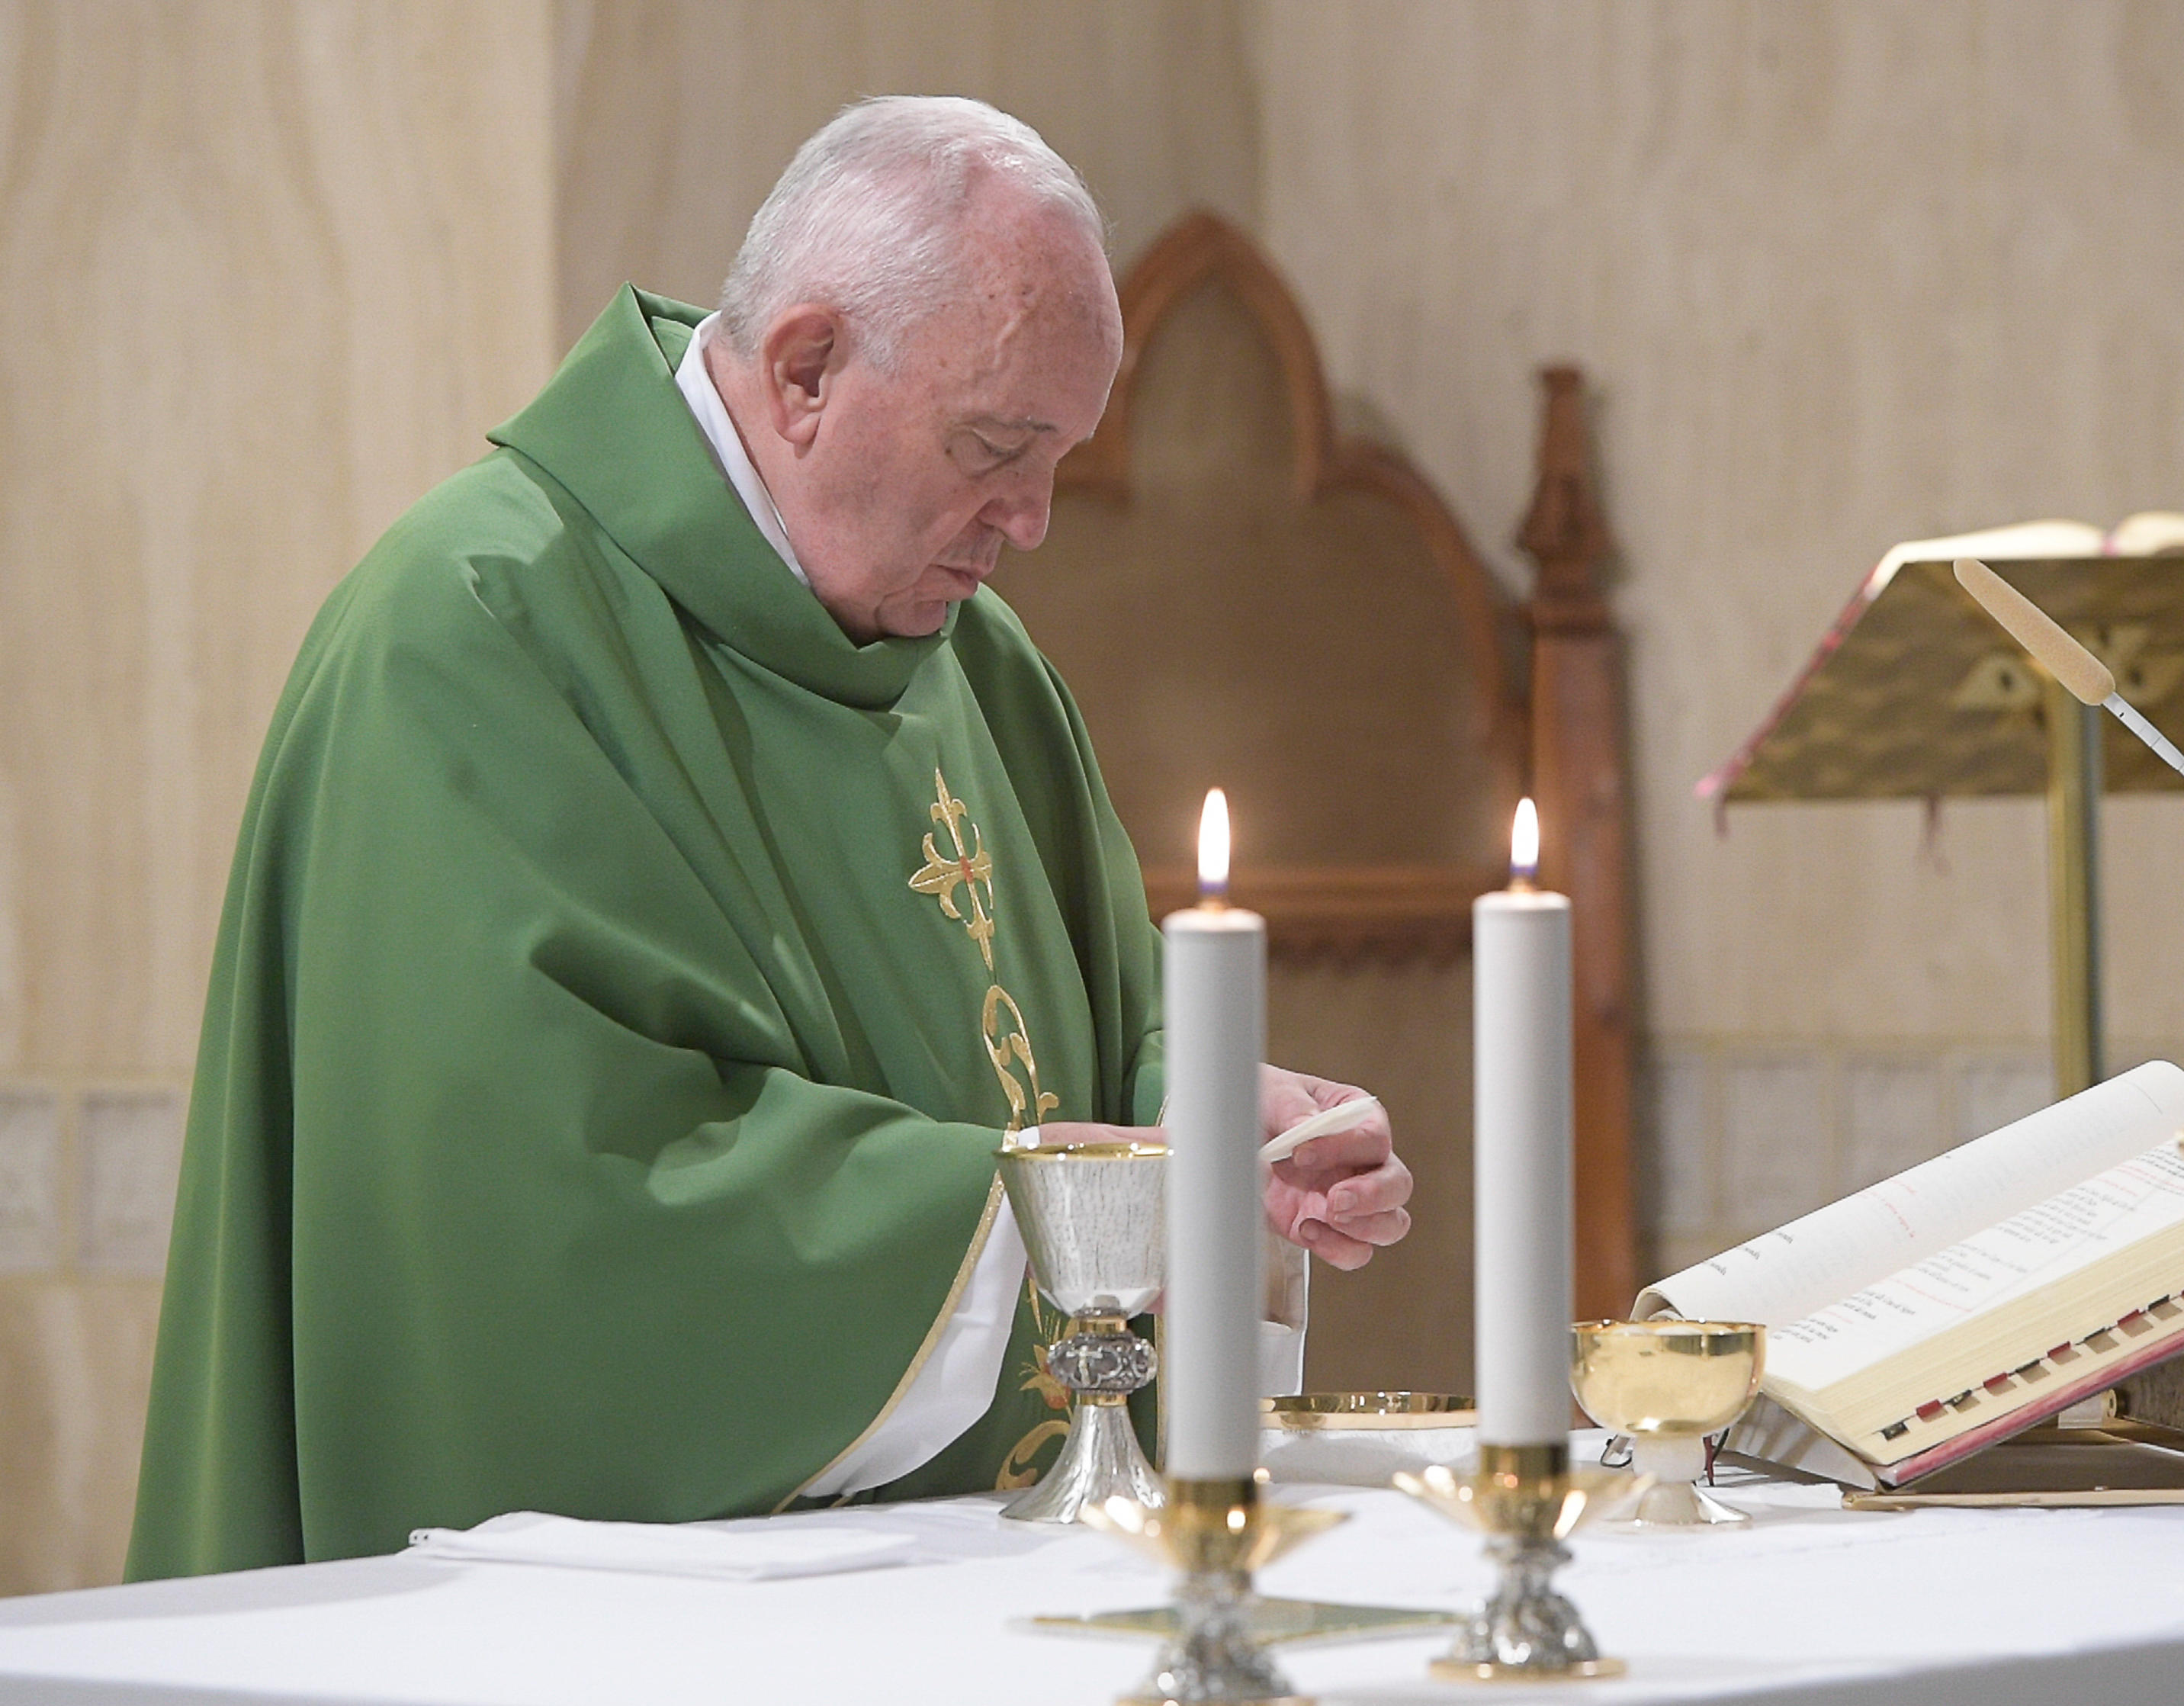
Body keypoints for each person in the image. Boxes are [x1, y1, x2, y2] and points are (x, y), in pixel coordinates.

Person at [126, 96, 1412, 1579]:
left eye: (1059, 455)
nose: (1034, 520)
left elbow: (1099, 1049)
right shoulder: (471, 639)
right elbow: (555, 1226)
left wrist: (1218, 1134)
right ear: (806, 371)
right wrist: (1080, 1197)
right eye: (997, 445)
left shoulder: (975, 668)